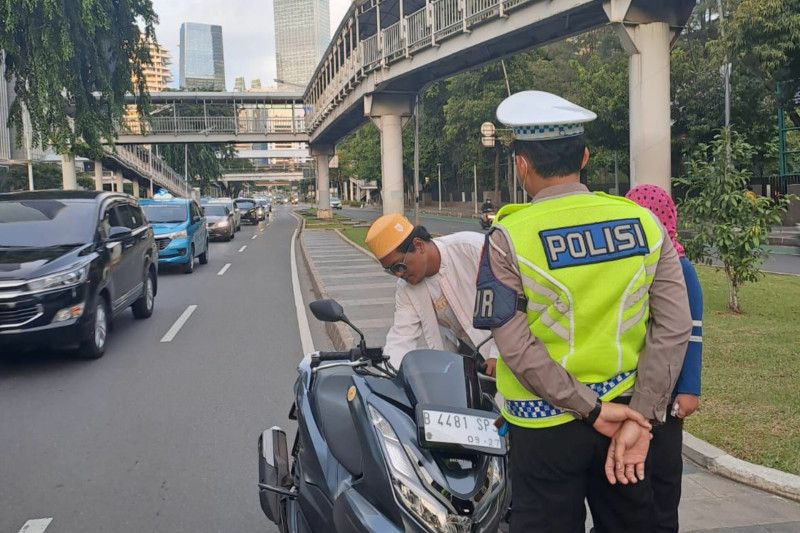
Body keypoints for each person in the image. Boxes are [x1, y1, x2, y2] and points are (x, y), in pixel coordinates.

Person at [473, 90, 693, 533]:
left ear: (522, 165)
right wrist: (642, 418)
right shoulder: (644, 224)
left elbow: (513, 345)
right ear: (586, 156)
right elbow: (674, 326)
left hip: (544, 428)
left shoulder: (507, 237)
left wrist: (589, 409)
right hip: (628, 417)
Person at [626, 184, 704, 533]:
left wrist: (689, 388)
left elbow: (692, 332)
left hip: (668, 394)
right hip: (633, 387)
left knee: (663, 471)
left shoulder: (680, 267)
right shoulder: (630, 266)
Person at [365, 213, 499, 373]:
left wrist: (497, 354)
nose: (399, 275)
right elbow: (401, 337)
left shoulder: (473, 249)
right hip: (467, 357)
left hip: (510, 352)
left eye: (399, 266)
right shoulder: (406, 288)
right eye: (391, 271)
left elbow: (511, 302)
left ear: (419, 245)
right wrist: (387, 377)